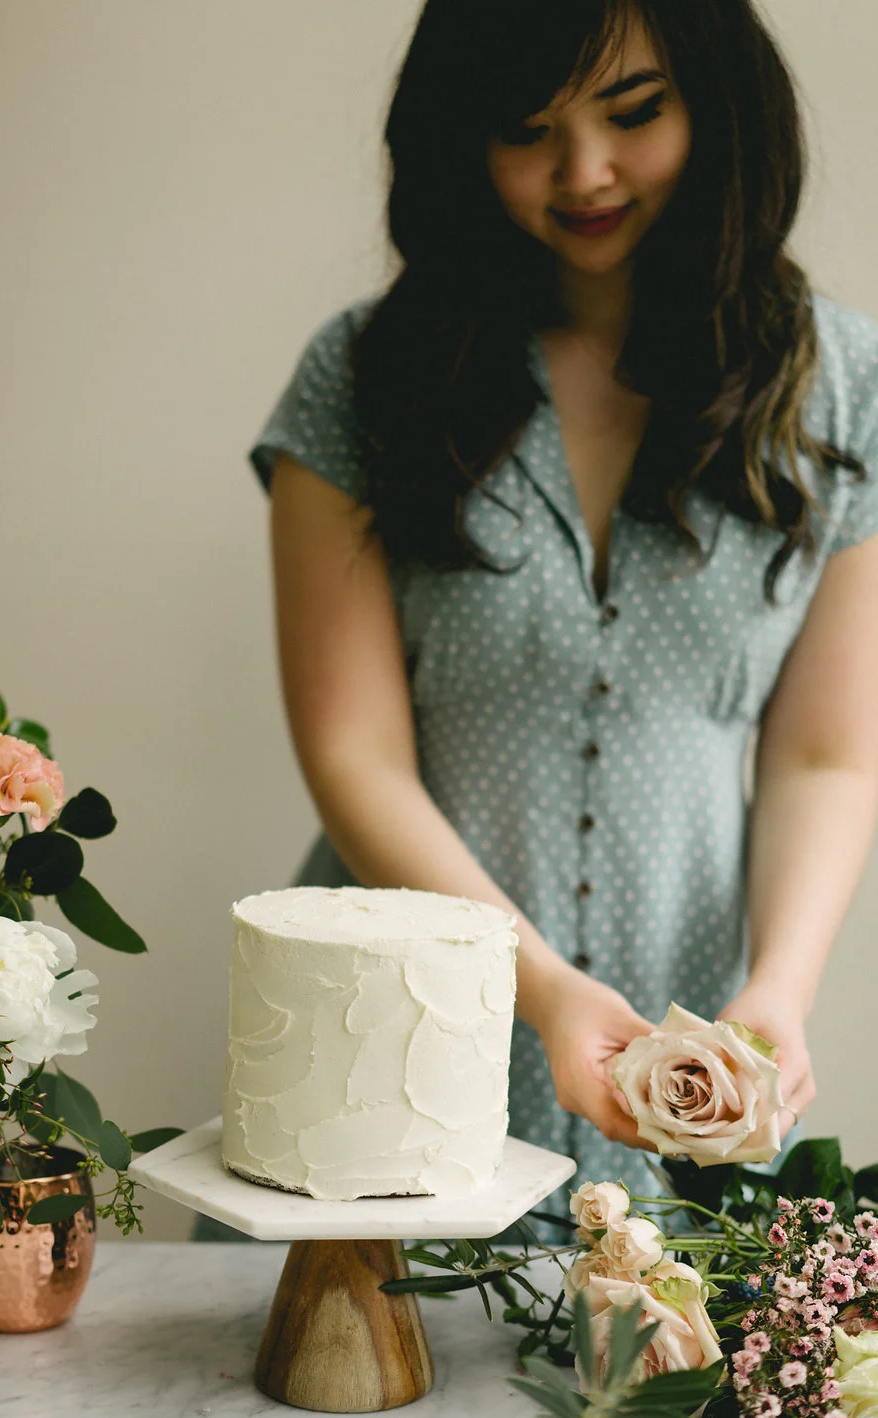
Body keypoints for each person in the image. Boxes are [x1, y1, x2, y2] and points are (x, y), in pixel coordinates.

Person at [203, 0, 878, 1241]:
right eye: (527, 131)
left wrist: (777, 991)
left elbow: (826, 752)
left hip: (694, 1030)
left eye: (633, 112)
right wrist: (546, 995)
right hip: (397, 1028)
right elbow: (353, 752)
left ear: (715, 101)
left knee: (659, 1405)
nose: (584, 174)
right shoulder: (361, 377)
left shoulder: (839, 383)